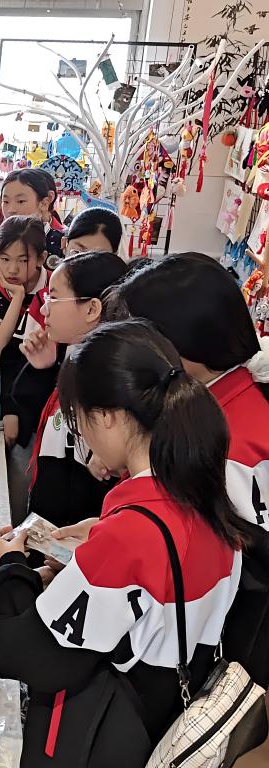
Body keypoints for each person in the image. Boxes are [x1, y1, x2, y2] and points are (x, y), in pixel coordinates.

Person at [0, 320, 243, 768]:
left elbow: (31, 655)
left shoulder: (129, 535)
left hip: (97, 738)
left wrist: (11, 567)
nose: (82, 434)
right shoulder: (207, 498)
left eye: (78, 419)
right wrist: (95, 545)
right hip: (158, 720)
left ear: (105, 416)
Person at [100, 252, 269, 684]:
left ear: (182, 345)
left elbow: (213, 571)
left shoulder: (226, 443)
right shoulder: (228, 403)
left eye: (140, 339)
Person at [20, 252, 128, 526]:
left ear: (92, 309)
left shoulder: (109, 380)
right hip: (48, 524)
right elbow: (41, 422)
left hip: (72, 535)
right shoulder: (72, 357)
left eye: (54, 298)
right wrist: (43, 369)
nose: (44, 309)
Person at [0, 216, 57, 522]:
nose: (12, 269)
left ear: (40, 258)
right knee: (3, 474)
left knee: (31, 477)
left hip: (43, 399)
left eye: (23, 260)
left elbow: (42, 358)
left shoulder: (54, 291)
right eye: (5, 259)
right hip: (6, 394)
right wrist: (18, 296)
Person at [1, 168, 65, 265]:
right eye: (6, 202)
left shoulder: (64, 242)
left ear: (45, 202)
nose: (10, 210)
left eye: (20, 201)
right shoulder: (0, 238)